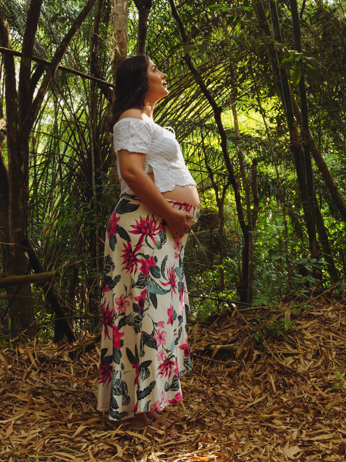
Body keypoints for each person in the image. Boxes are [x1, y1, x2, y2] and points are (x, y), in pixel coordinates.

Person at [96, 55, 199, 429]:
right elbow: (131, 173)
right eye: (156, 69)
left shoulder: (146, 122)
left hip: (155, 229)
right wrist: (171, 214)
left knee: (155, 312)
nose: (163, 73)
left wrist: (174, 216)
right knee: (142, 312)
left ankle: (146, 403)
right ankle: (133, 411)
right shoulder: (130, 119)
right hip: (143, 227)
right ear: (139, 80)